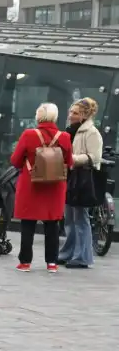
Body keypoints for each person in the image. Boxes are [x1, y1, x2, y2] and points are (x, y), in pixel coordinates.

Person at [10, 102, 74, 273]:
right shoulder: (65, 137)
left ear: (38, 116)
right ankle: (52, 263)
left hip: (31, 185)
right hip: (55, 187)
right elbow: (70, 162)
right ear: (55, 117)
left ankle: (25, 262)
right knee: (52, 225)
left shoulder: (28, 135)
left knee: (28, 224)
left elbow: (15, 161)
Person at [59, 98, 103, 268]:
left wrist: (73, 159)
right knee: (69, 217)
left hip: (82, 178)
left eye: (75, 113)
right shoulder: (71, 131)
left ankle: (82, 257)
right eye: (71, 112)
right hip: (71, 177)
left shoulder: (91, 132)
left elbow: (95, 157)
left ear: (84, 115)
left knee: (80, 218)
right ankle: (67, 253)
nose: (71, 115)